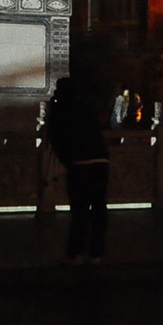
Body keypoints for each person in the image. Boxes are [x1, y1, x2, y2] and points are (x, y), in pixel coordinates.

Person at [45, 76, 110, 264]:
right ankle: (96, 253)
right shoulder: (85, 105)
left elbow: (55, 137)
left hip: (80, 163)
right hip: (100, 160)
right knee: (99, 209)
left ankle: (75, 252)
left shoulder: (61, 108)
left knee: (80, 211)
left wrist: (67, 161)